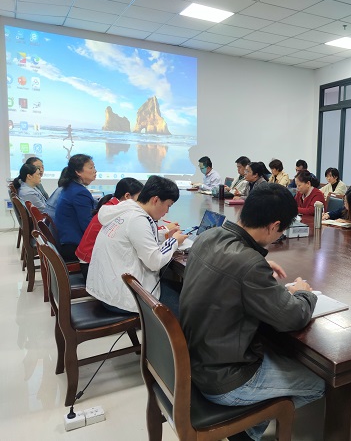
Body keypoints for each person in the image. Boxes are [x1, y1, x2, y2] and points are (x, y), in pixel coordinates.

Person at [179, 183, 325, 441]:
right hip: (224, 378)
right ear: (274, 226)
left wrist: (257, 264)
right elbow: (293, 317)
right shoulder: (248, 265)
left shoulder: (209, 236)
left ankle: (246, 431)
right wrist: (304, 293)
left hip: (197, 361)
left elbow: (229, 269)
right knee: (319, 384)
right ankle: (246, 432)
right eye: (281, 231)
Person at [86, 176, 186, 317]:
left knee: (176, 287)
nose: (167, 211)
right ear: (155, 200)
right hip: (124, 299)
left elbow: (134, 237)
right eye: (168, 205)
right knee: (187, 306)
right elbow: (155, 261)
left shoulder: (126, 210)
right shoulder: (137, 219)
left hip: (108, 290)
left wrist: (164, 235)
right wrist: (173, 241)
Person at [76, 178, 144, 280]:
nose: (141, 202)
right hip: (91, 266)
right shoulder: (116, 211)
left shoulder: (111, 206)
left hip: (90, 261)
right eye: (139, 198)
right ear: (127, 196)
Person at [54, 154, 97, 262]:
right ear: (78, 172)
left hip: (65, 241)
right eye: (91, 168)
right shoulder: (80, 192)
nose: (95, 171)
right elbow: (87, 226)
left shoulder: (70, 186)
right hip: (74, 246)